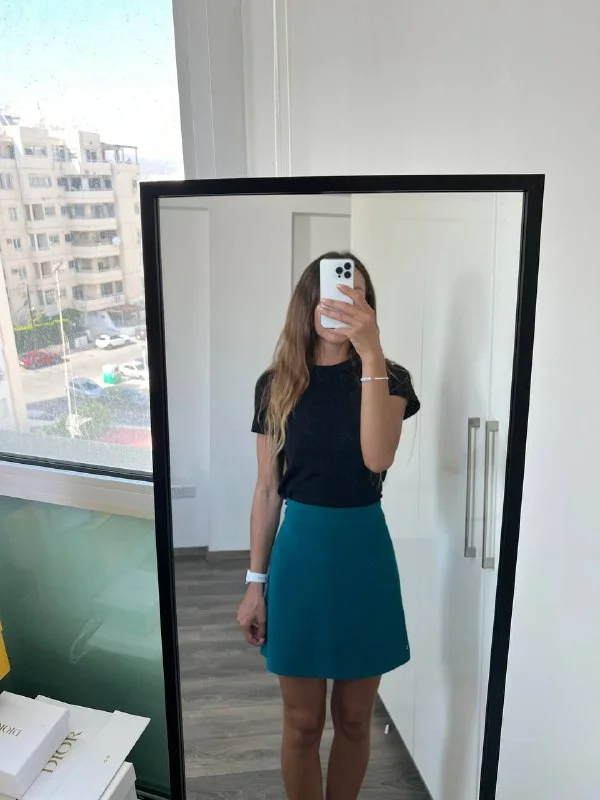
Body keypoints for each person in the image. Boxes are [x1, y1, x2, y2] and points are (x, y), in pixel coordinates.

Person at [237, 251, 420, 800]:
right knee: (302, 723)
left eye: (353, 293)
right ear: (307, 302)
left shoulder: (391, 378)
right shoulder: (276, 384)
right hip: (300, 557)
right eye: (331, 292)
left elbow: (376, 458)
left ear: (368, 305)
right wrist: (255, 584)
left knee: (356, 718)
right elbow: (267, 491)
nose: (341, 303)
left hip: (364, 555)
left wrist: (371, 351)